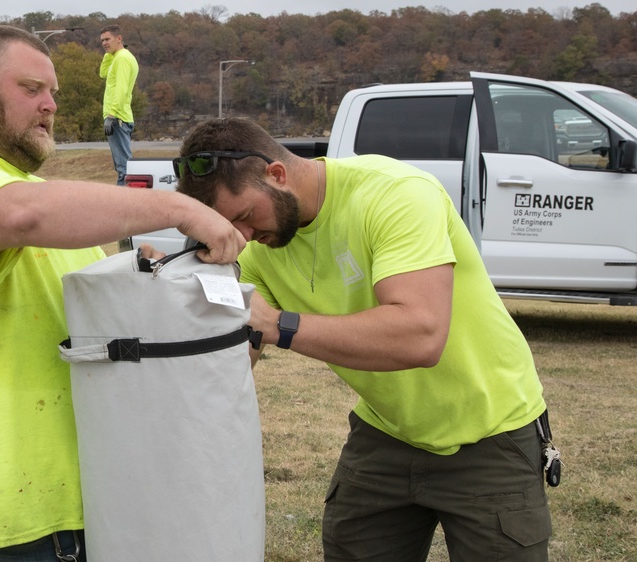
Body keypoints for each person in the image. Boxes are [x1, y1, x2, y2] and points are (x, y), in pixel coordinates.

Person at [0, 25, 244, 562]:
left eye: (52, 93)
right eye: (32, 89)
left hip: (86, 504)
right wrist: (179, 209)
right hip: (1, 519)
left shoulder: (42, 200)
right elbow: (22, 216)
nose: (50, 105)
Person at [175, 117, 553, 561]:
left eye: (242, 217)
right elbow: (232, 359)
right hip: (387, 430)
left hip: (490, 431)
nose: (242, 237)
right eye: (227, 229)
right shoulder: (257, 248)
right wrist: (168, 293)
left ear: (276, 174)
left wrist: (279, 324)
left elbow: (420, 335)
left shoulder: (396, 194)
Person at [99, 24, 138, 186]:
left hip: (117, 118)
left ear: (119, 38)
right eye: (102, 41)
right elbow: (103, 74)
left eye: (107, 39)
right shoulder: (118, 57)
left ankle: (125, 207)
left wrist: (111, 115)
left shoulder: (122, 58)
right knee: (123, 167)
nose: (104, 43)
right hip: (120, 116)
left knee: (124, 168)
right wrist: (109, 54)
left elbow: (121, 89)